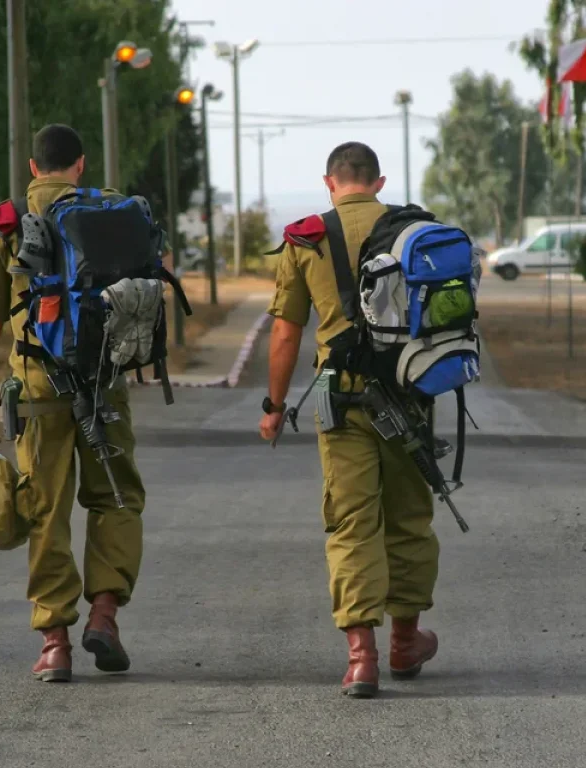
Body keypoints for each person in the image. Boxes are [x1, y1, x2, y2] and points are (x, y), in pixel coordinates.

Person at [259, 141, 440, 698]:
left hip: (331, 395)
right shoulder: (412, 230)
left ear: (329, 183)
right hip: (409, 393)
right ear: (379, 183)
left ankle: (361, 657)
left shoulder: (306, 237)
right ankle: (406, 642)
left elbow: (286, 332)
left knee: (349, 520)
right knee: (408, 516)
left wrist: (273, 406)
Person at [0, 124, 146, 683]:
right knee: (117, 498)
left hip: (39, 389)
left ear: (31, 168)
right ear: (81, 165)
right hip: (104, 381)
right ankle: (105, 614)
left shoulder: (7, 223)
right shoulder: (115, 211)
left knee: (45, 508)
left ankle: (54, 643)